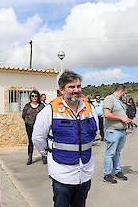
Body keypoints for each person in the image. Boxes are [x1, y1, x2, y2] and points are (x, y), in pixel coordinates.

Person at [32, 70, 98, 207]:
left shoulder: (89, 108)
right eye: (71, 87)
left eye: (78, 86)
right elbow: (38, 138)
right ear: (61, 90)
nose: (76, 90)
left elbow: (94, 131)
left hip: (85, 172)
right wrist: (49, 153)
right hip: (62, 174)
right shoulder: (50, 110)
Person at [103, 84, 133, 184]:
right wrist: (121, 118)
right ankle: (107, 174)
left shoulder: (119, 101)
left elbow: (120, 114)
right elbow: (107, 114)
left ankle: (117, 171)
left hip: (121, 131)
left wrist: (127, 120)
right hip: (113, 130)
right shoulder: (109, 99)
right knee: (110, 153)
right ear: (122, 92)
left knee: (117, 153)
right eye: (125, 93)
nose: (125, 95)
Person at [22, 90, 46, 165]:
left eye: (36, 96)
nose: (34, 97)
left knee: (41, 140)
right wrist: (27, 121)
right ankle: (30, 158)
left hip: (39, 127)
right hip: (29, 126)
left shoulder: (42, 106)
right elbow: (23, 115)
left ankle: (44, 156)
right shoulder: (27, 106)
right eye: (32, 96)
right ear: (30, 97)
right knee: (30, 141)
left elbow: (45, 116)